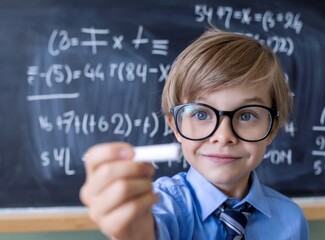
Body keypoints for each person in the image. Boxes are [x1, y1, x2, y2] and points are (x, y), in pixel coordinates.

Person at [80, 27, 310, 240]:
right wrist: (136, 232)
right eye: (201, 114)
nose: (223, 136)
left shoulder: (291, 220)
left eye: (247, 115)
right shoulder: (162, 204)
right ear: (175, 125)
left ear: (272, 128)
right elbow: (149, 228)